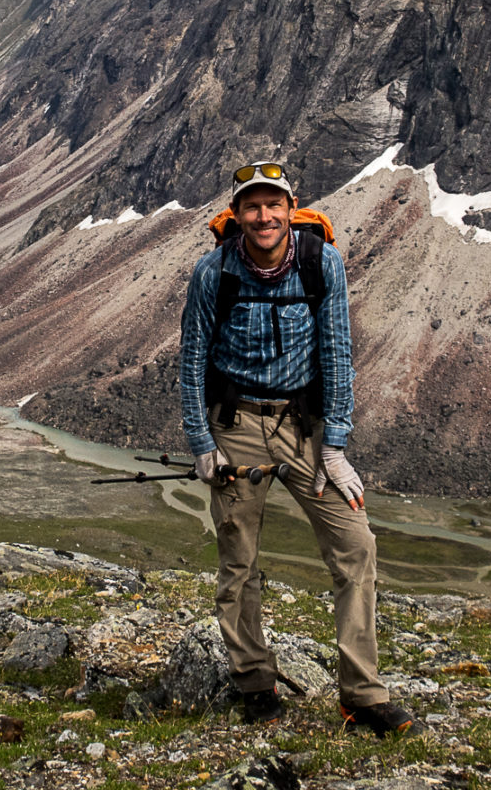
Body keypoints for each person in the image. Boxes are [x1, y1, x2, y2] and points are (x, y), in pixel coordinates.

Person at [178, 160, 418, 735]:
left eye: (274, 204)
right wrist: (202, 441)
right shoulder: (213, 273)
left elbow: (337, 351)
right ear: (236, 215)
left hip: (302, 427)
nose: (264, 216)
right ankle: (255, 683)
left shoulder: (321, 263)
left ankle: (362, 694)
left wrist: (334, 444)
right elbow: (190, 362)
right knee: (240, 562)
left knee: (355, 544)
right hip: (234, 424)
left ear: (291, 209)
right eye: (252, 206)